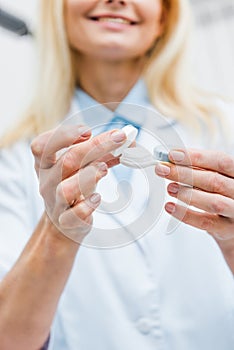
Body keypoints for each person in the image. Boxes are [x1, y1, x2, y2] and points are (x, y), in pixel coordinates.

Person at [0, 0, 234, 349]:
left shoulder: (223, 128)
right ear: (58, 11)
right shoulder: (13, 158)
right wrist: (57, 231)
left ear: (164, 17)